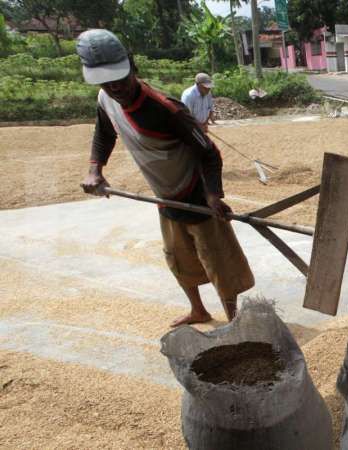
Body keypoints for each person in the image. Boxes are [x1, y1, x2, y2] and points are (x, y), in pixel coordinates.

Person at [76, 29, 254, 327]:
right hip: (164, 195)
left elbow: (209, 153)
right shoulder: (106, 100)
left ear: (133, 65)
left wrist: (213, 195)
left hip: (195, 194)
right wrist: (95, 168)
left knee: (218, 260)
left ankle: (233, 319)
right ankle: (198, 310)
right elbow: (104, 132)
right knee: (178, 259)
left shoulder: (166, 109)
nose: (115, 87)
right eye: (106, 83)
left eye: (120, 77)